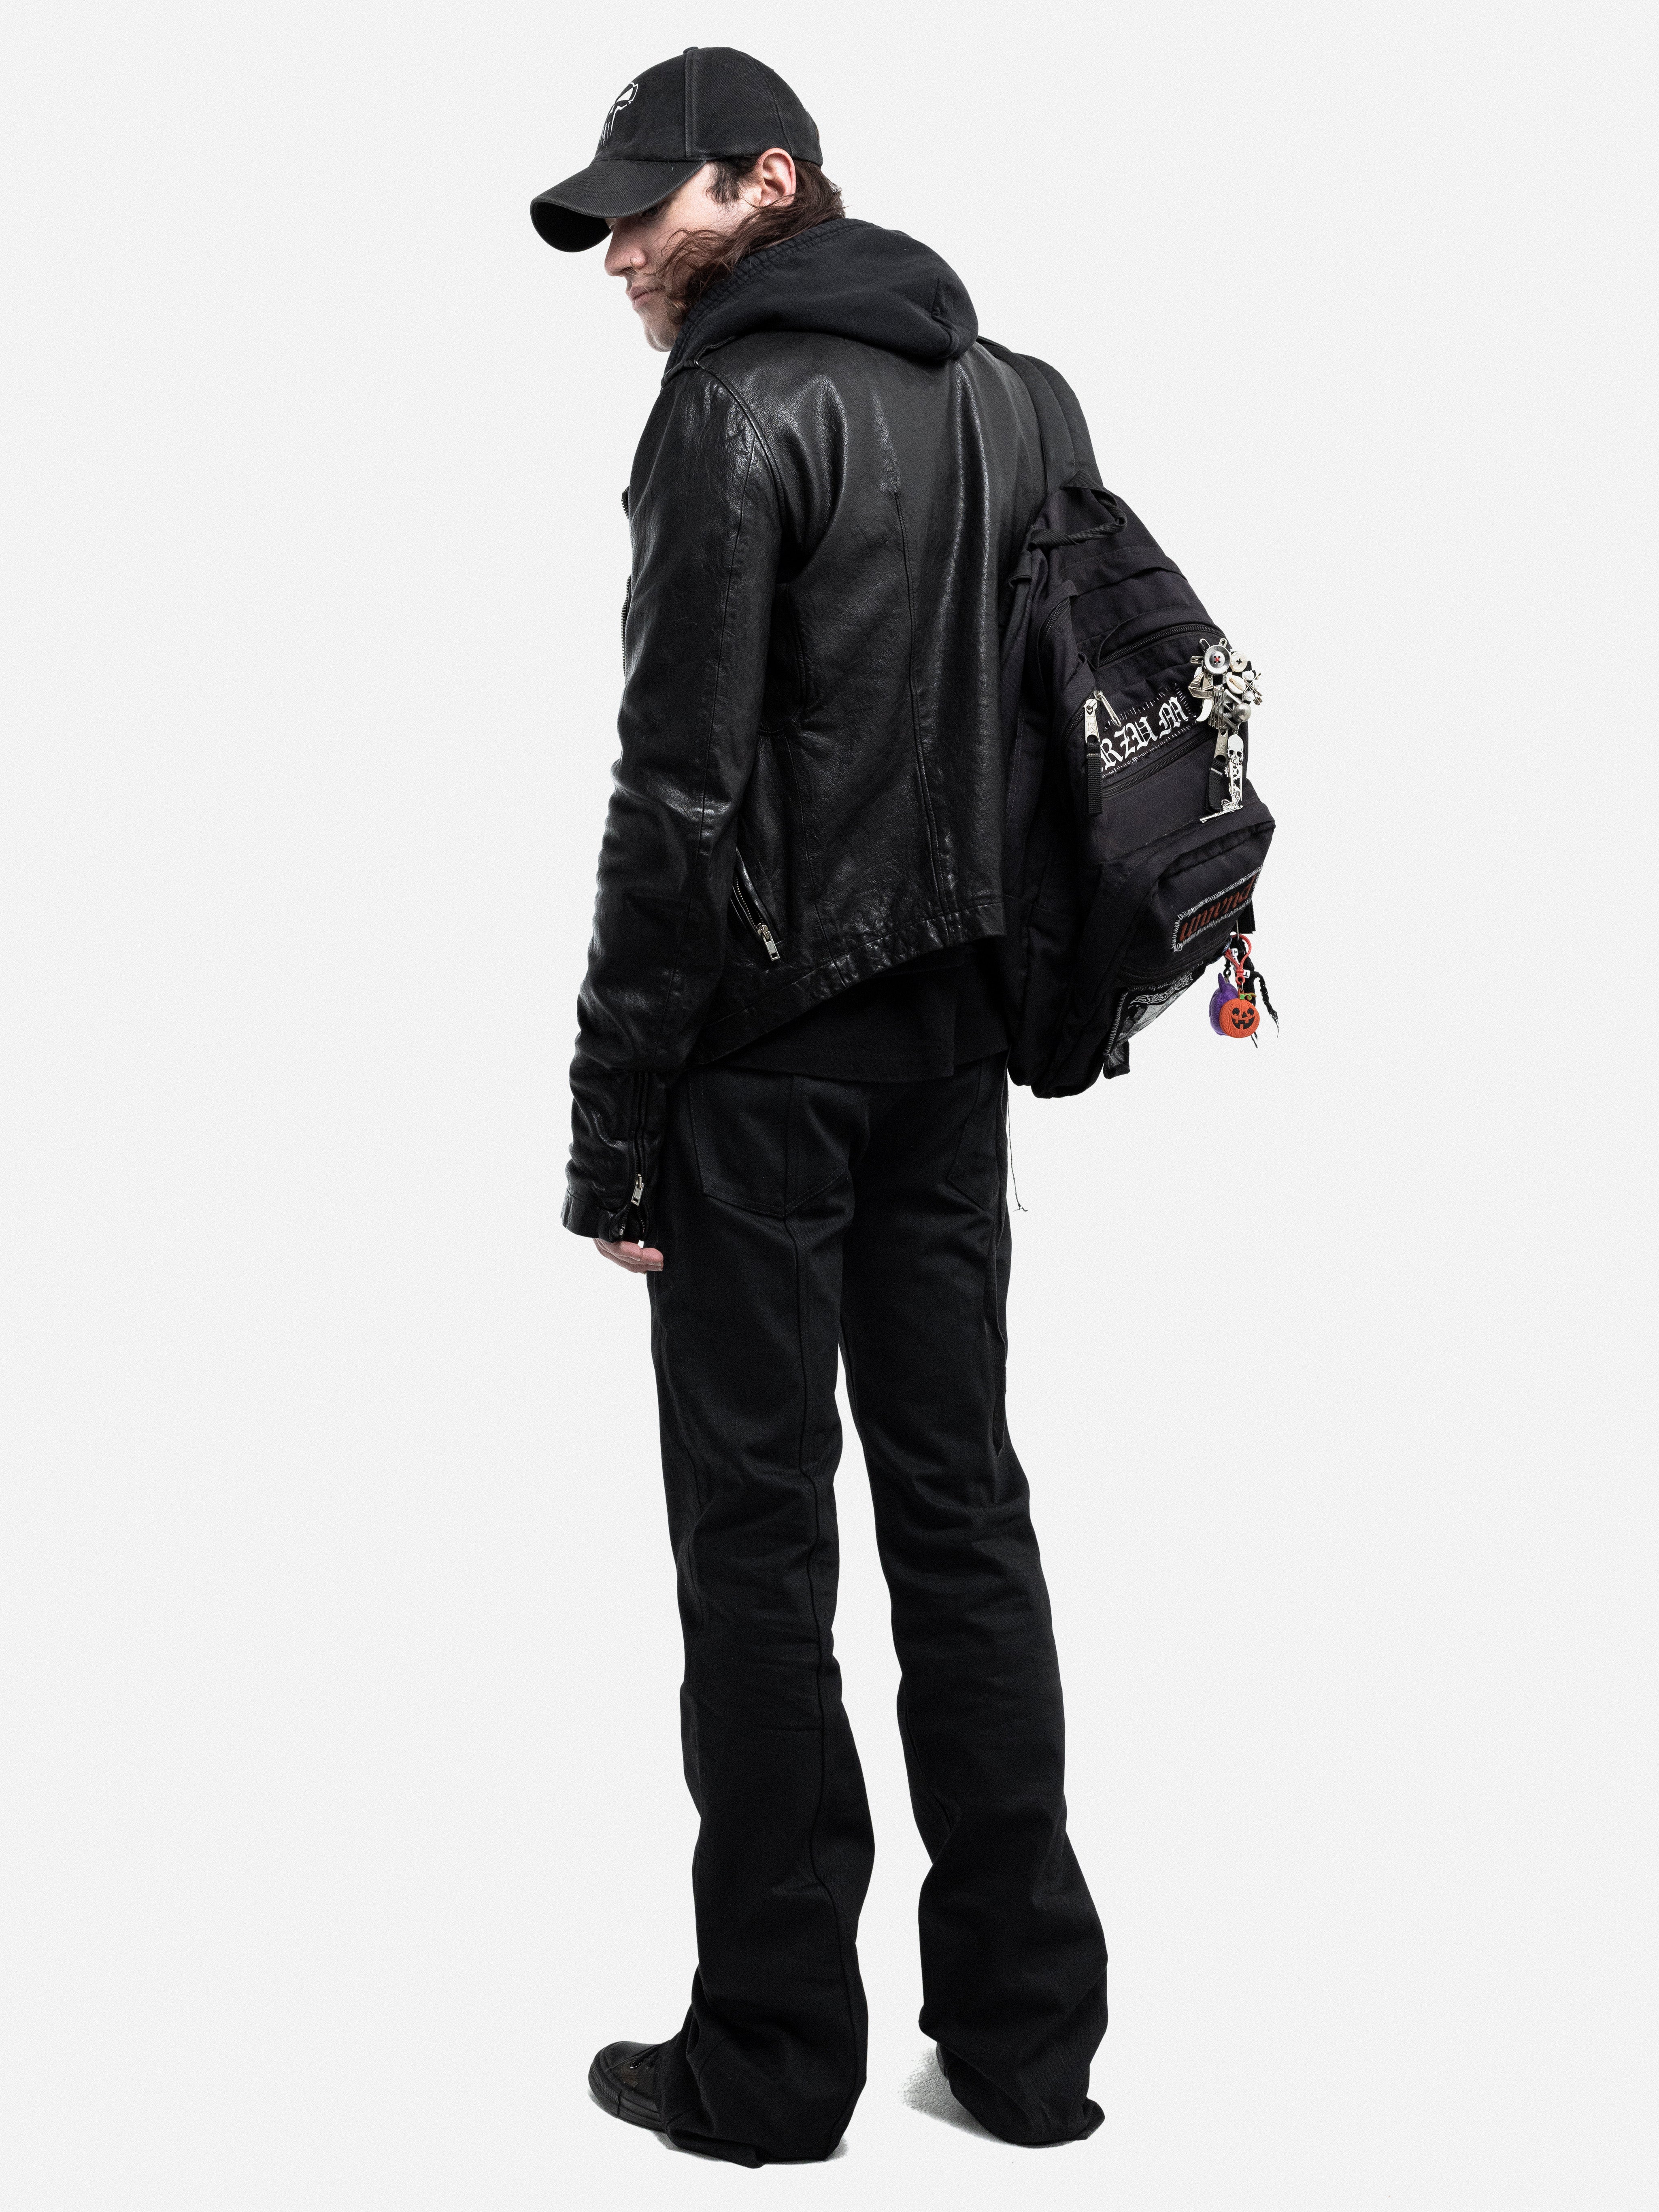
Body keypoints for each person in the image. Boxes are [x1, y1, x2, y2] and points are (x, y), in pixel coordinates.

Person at [530, 45, 1107, 2168]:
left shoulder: (730, 409)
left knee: (758, 1552)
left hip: (763, 1071)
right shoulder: (1017, 394)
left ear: (769, 180)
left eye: (651, 206)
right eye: (605, 220)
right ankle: (1028, 2046)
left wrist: (612, 1125)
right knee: (962, 1515)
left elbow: (677, 794)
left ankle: (770, 2067)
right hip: (953, 1052)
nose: (621, 252)